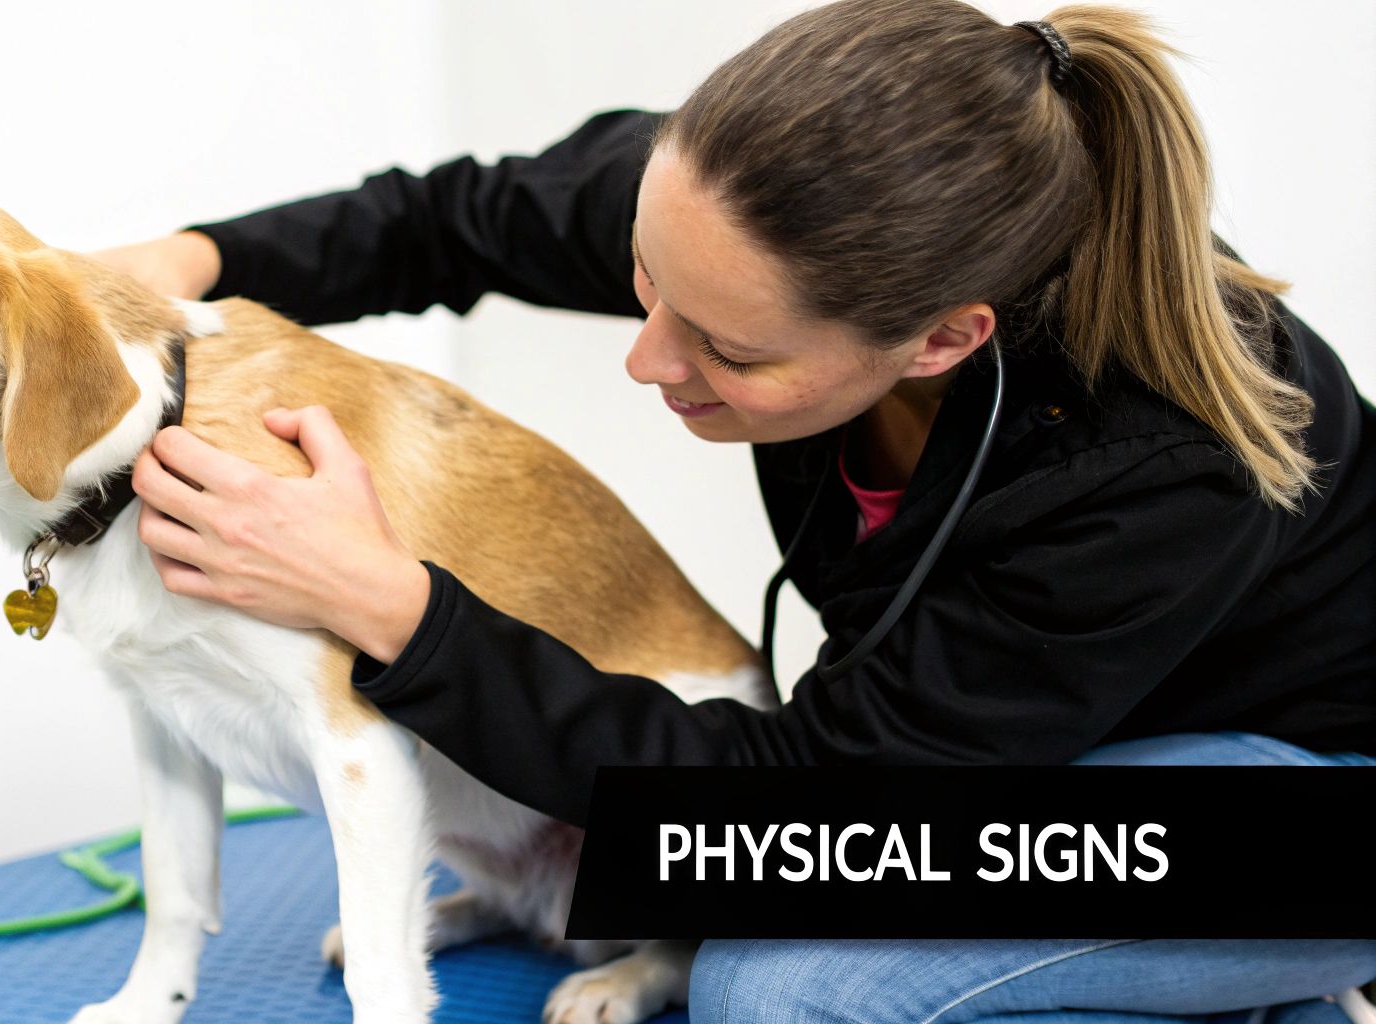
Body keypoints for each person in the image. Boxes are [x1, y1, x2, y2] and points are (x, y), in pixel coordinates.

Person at [92, 0, 1376, 1020]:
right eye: (645, 279)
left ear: (941, 339)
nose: (646, 357)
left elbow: (795, 807)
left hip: (1299, 785)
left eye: (727, 350)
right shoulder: (738, 208)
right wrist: (182, 266)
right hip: (1031, 737)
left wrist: (393, 609)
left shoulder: (1153, 471)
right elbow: (452, 219)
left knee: (781, 991)